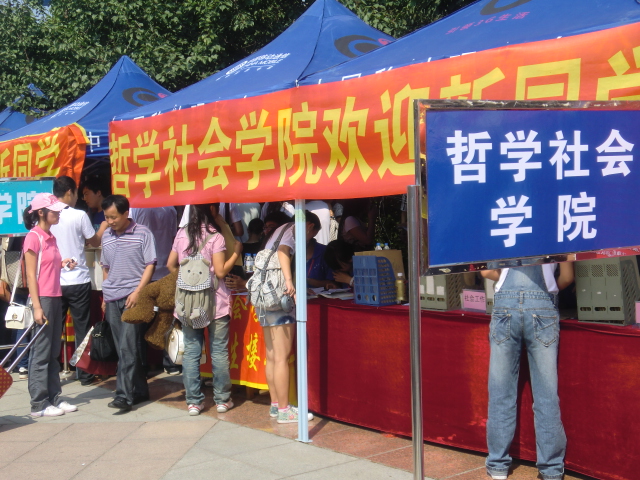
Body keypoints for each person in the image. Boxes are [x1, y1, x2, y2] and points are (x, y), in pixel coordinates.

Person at [480, 261, 574, 480]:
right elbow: (567, 277)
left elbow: (486, 272)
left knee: (501, 393)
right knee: (546, 396)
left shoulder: (499, 235)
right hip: (543, 309)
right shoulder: (556, 236)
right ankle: (551, 469)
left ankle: (498, 465)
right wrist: (549, 288)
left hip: (505, 308)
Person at [167, 203, 242, 415]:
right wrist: (236, 253)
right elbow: (220, 272)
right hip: (215, 302)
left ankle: (193, 402)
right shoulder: (215, 237)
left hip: (188, 303)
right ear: (212, 210)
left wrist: (187, 282)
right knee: (218, 351)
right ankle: (222, 400)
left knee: (191, 351)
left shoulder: (182, 234)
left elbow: (170, 265)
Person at [22, 193, 78, 417]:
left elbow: (47, 266)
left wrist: (63, 263)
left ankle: (54, 396)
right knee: (41, 352)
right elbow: (30, 274)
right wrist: (37, 307)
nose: (59, 213)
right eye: (54, 210)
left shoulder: (50, 236)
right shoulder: (33, 237)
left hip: (55, 296)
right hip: (43, 299)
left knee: (54, 350)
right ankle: (38, 403)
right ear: (41, 213)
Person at [101, 195, 156, 412]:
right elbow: (105, 267)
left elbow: (150, 264)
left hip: (133, 297)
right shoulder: (107, 235)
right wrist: (105, 295)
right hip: (112, 297)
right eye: (107, 217)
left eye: (114, 217)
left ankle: (123, 395)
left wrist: (138, 292)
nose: (110, 221)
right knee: (123, 347)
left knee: (128, 346)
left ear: (126, 213)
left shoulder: (143, 233)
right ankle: (140, 390)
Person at [50, 176, 107, 386]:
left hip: (55, 280)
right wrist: (103, 226)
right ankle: (85, 373)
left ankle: (51, 372)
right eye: (76, 193)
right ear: (69, 192)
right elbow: (94, 240)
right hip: (78, 279)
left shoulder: (48, 215)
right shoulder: (79, 215)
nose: (78, 198)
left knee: (54, 328)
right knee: (82, 326)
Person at [260, 211, 315, 424]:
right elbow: (284, 251)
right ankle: (285, 410)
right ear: (309, 226)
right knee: (282, 357)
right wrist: (290, 282)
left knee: (272, 356)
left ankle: (276, 405)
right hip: (279, 296)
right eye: (311, 236)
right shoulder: (294, 229)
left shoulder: (278, 231)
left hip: (264, 296)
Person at [129, 206, 179, 375]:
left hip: (144, 272)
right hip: (165, 268)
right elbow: (173, 238)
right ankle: (170, 363)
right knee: (166, 319)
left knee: (142, 319)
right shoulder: (170, 209)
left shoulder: (136, 208)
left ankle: (142, 364)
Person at [305, 213, 335, 289]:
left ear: (311, 226)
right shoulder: (289, 252)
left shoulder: (324, 252)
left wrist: (306, 281)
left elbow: (332, 283)